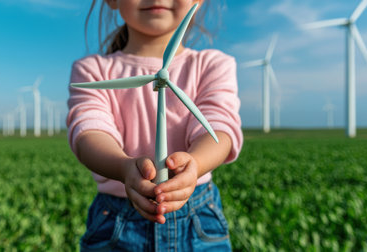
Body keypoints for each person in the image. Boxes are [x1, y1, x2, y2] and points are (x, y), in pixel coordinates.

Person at [66, 0, 243, 251]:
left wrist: (196, 165)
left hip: (198, 220)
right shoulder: (93, 71)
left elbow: (219, 127)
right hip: (116, 221)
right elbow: (89, 132)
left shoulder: (213, 65)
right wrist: (123, 167)